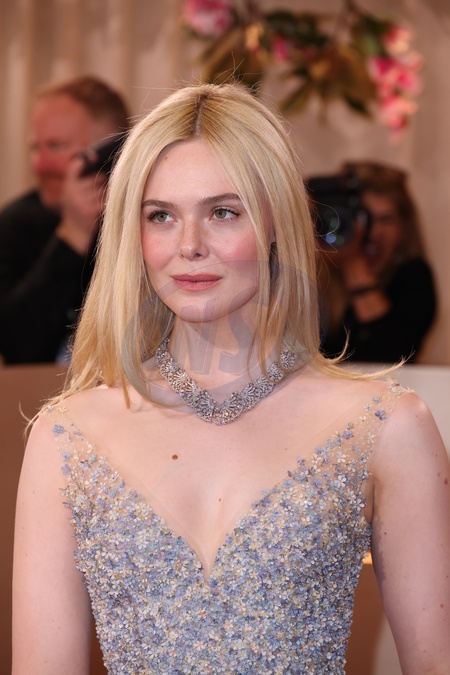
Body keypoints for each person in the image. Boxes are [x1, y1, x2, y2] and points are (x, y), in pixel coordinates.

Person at [12, 84, 450, 674]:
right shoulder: (66, 438)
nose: (190, 246)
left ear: (275, 221)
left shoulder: (386, 428)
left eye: (223, 212)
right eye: (161, 216)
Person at [0, 75, 130, 364]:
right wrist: (73, 233)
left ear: (108, 150)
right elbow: (15, 345)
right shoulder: (16, 223)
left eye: (56, 146)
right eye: (36, 148)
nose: (39, 165)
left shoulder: (148, 221)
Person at [317, 161, 436, 363]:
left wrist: (353, 263)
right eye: (366, 218)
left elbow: (393, 355)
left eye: (386, 219)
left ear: (404, 227)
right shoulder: (317, 277)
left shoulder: (414, 276)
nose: (373, 232)